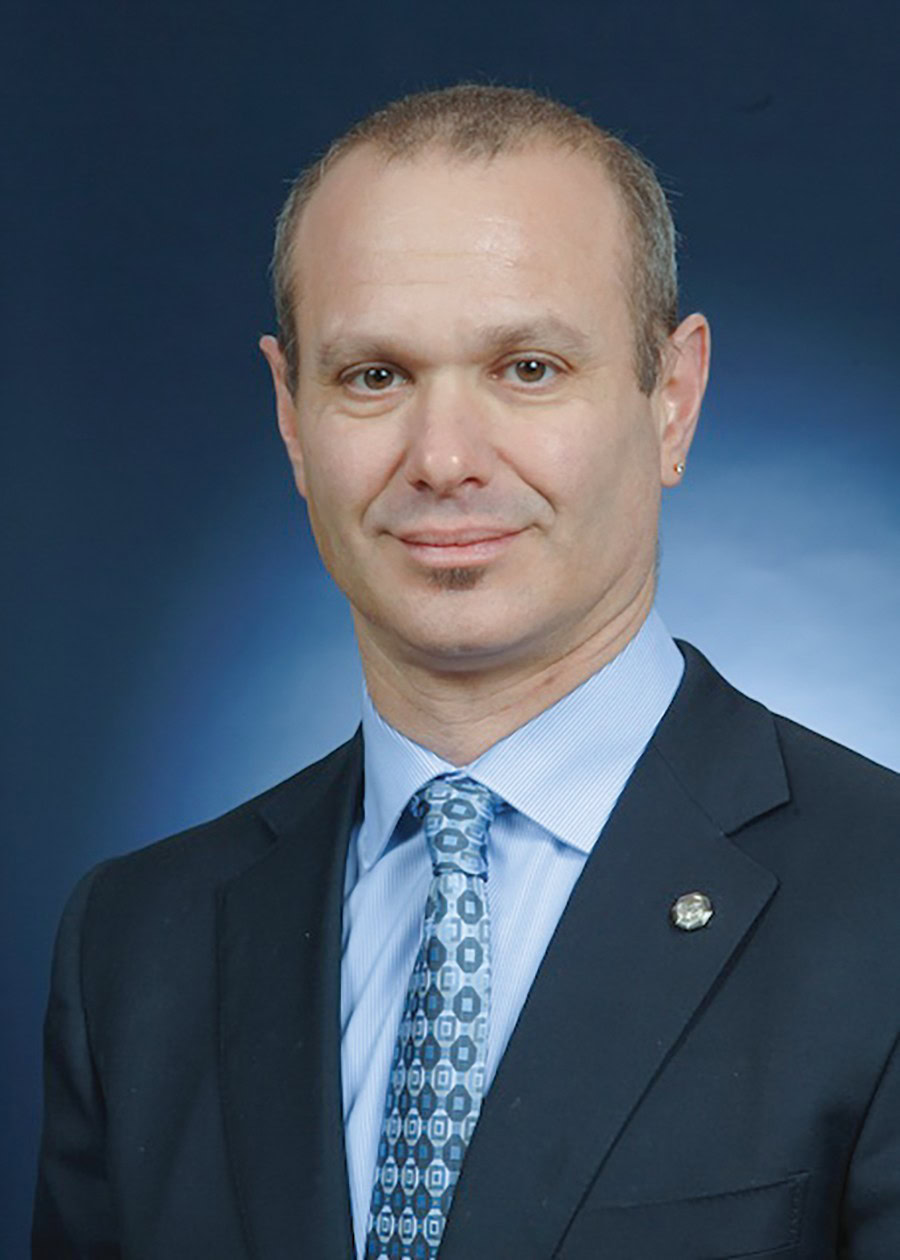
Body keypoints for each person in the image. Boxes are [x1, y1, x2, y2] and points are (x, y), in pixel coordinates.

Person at [33, 84, 900, 1260]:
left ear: (673, 399)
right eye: (375, 376)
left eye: (529, 368)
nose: (442, 459)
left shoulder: (882, 909)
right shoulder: (135, 949)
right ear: (292, 415)